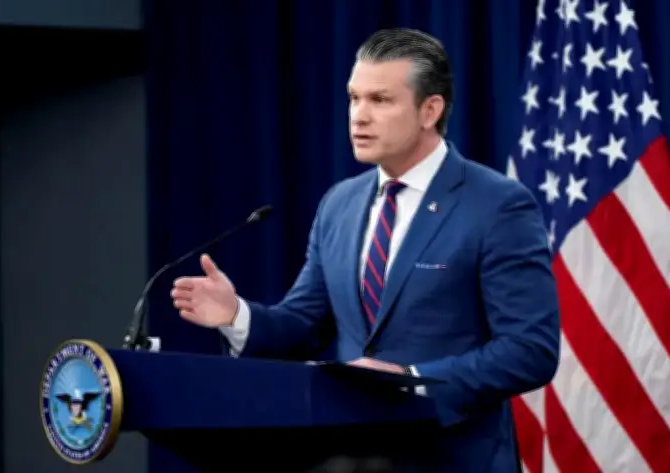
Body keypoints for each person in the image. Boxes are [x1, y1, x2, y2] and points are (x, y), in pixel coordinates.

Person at [171, 28, 559, 472]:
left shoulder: (497, 205)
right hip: (349, 458)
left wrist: (412, 380)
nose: (359, 116)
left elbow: (530, 350)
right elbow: (304, 323)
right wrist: (237, 316)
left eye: (380, 100)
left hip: (452, 458)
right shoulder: (340, 203)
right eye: (354, 98)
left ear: (430, 110)